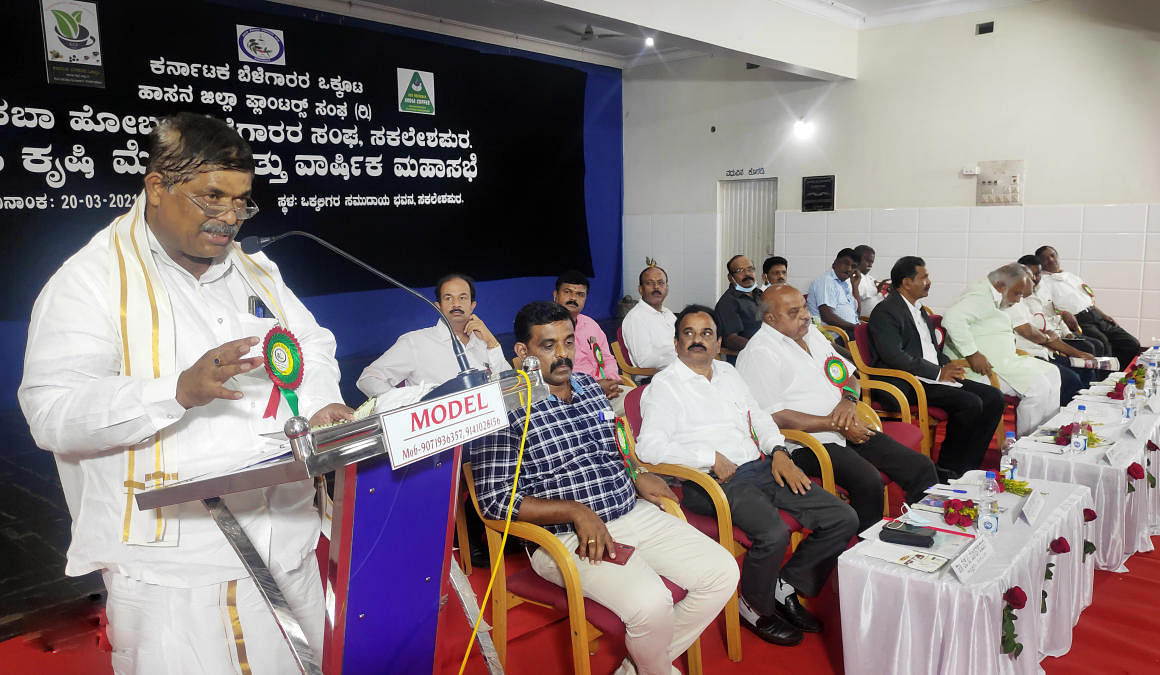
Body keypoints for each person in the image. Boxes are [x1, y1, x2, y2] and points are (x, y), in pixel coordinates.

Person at [18, 112, 355, 673]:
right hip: (180, 566)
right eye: (212, 199)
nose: (229, 219)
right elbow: (51, 414)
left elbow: (311, 344)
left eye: (242, 201)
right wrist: (174, 391)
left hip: (287, 541)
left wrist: (321, 403)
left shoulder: (256, 272)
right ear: (157, 187)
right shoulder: (89, 281)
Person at [467, 302, 739, 675]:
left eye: (567, 342)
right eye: (548, 346)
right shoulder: (503, 408)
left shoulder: (587, 387)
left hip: (630, 511)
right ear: (522, 352)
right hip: (563, 537)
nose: (563, 355)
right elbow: (496, 501)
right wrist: (576, 512)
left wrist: (636, 470)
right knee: (651, 604)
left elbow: (615, 444)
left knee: (723, 572)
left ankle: (639, 667)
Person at [636, 305, 858, 647]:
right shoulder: (665, 386)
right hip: (710, 482)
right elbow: (648, 449)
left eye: (707, 333)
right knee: (774, 533)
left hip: (760, 466)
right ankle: (754, 606)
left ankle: (785, 586)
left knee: (842, 516)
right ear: (677, 342)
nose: (698, 340)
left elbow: (760, 417)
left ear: (719, 341)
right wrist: (708, 458)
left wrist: (779, 452)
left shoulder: (728, 373)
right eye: (689, 333)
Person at [737, 285, 937, 532]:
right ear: (770, 319)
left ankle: (924, 533)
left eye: (803, 307)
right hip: (804, 443)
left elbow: (850, 376)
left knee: (920, 467)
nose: (805, 315)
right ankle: (861, 552)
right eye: (793, 312)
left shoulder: (812, 334)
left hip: (846, 425)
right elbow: (776, 417)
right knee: (868, 481)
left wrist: (849, 401)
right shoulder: (759, 353)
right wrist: (837, 424)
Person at [866, 256, 1004, 477]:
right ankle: (949, 468)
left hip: (931, 375)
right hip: (906, 381)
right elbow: (893, 355)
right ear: (906, 282)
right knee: (969, 403)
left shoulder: (918, 308)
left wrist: (946, 365)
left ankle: (970, 464)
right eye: (924, 277)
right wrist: (938, 372)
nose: (929, 281)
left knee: (994, 398)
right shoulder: (886, 311)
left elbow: (930, 348)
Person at [942, 264, 1062, 436]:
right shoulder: (980, 295)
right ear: (1001, 286)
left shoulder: (993, 293)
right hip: (980, 369)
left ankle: (1044, 437)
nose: (1019, 299)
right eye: (1018, 293)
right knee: (1037, 387)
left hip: (1004, 361)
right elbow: (952, 318)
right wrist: (973, 354)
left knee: (1053, 373)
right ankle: (1025, 446)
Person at [356, 273, 508, 396]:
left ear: (472, 305)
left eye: (462, 298)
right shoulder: (415, 342)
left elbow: (511, 386)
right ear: (438, 306)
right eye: (448, 298)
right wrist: (411, 402)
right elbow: (368, 379)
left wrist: (492, 343)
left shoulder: (484, 341)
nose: (456, 304)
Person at [1035, 245, 1142, 368]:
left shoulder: (1071, 276)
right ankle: (1105, 380)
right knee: (1104, 345)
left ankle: (1119, 373)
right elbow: (1046, 308)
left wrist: (1103, 314)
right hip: (1078, 321)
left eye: (1053, 255)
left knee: (1132, 344)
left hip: (1095, 315)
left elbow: (1086, 298)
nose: (1051, 260)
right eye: (1045, 258)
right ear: (1040, 263)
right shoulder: (1043, 283)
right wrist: (1063, 313)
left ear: (1058, 256)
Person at [1005, 270, 1096, 400]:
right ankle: (1069, 415)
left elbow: (1048, 331)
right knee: (1071, 380)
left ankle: (1089, 405)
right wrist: (1075, 352)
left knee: (1086, 368)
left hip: (1045, 351)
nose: (1036, 281)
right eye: (1031, 279)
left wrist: (1076, 351)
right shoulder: (1012, 304)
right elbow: (1033, 333)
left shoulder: (1026, 301)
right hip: (1027, 355)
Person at [553, 270, 630, 414]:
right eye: (568, 292)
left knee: (645, 399)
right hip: (573, 400)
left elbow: (607, 358)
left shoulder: (591, 325)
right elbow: (553, 377)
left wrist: (611, 382)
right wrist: (595, 388)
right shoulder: (547, 330)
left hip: (607, 391)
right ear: (556, 295)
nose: (573, 298)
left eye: (580, 294)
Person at [1017, 254, 1106, 358]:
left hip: (1059, 334)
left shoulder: (1043, 288)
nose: (1035, 278)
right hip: (1046, 339)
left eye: (1038, 274)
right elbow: (1039, 325)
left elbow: (1055, 313)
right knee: (1088, 348)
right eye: (1031, 275)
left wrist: (1067, 332)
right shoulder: (1019, 297)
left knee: (1099, 344)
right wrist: (1057, 337)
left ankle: (1101, 373)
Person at [621, 265, 676, 370]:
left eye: (661, 283)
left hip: (680, 370)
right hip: (656, 378)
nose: (656, 287)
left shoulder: (668, 313)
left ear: (667, 288)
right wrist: (682, 357)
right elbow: (643, 361)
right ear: (640, 289)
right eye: (650, 283)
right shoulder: (636, 318)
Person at [714, 254, 764, 356]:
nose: (747, 274)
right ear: (730, 278)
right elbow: (732, 340)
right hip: (744, 356)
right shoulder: (728, 302)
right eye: (740, 270)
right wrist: (760, 349)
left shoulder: (760, 294)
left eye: (750, 269)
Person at [806, 248, 860, 336]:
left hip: (848, 332)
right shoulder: (826, 281)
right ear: (835, 263)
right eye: (846, 263)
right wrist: (856, 328)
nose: (849, 269)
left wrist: (855, 286)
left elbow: (856, 314)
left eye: (853, 266)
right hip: (836, 336)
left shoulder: (844, 285)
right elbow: (827, 317)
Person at [851, 244, 887, 318]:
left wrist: (879, 290)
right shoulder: (851, 278)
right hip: (863, 321)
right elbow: (855, 303)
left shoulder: (870, 278)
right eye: (867, 261)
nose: (870, 265)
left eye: (872, 262)